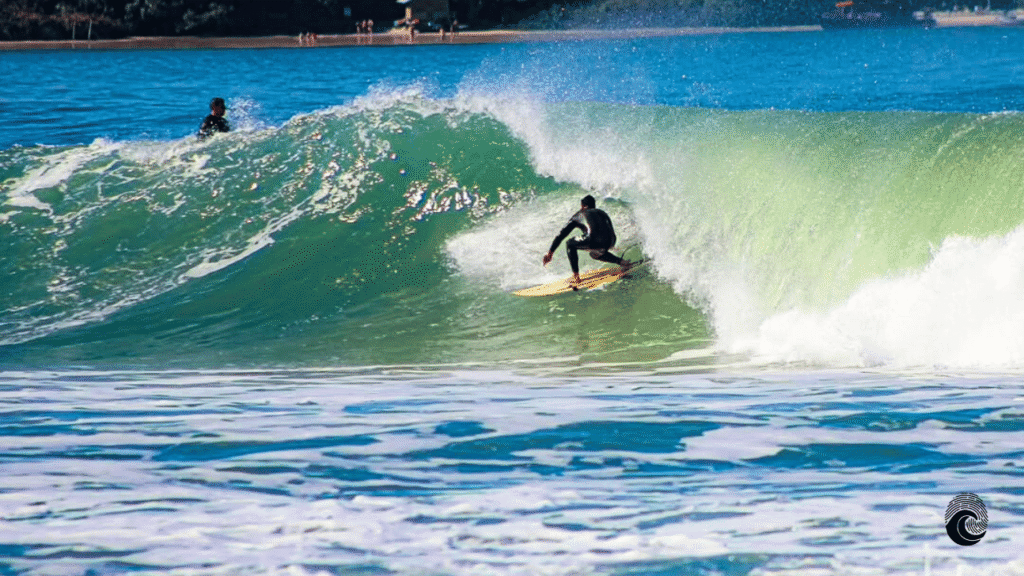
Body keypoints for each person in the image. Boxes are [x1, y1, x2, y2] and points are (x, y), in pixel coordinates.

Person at [543, 195, 631, 284]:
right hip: (611, 241)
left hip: (594, 239)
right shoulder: (602, 212)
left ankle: (576, 277)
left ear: (582, 206)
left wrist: (550, 253)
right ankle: (622, 262)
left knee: (569, 243)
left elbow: (561, 234)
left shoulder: (579, 214)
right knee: (594, 254)